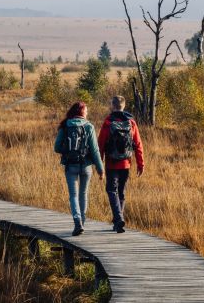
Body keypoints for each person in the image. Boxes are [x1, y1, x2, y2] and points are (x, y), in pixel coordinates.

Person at [54, 101, 104, 236]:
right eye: (86, 111)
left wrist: (68, 150)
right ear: (82, 112)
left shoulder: (65, 126)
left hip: (71, 166)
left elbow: (56, 147)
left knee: (73, 195)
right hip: (86, 166)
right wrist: (100, 169)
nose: (87, 113)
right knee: (83, 194)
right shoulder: (89, 126)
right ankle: (82, 221)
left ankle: (77, 222)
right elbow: (95, 150)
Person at [98, 95, 144, 233]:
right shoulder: (131, 122)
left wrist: (99, 164)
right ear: (124, 106)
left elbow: (100, 145)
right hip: (126, 163)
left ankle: (118, 219)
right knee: (121, 192)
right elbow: (138, 145)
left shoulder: (108, 122)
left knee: (111, 190)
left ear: (112, 106)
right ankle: (119, 220)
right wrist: (141, 164)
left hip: (111, 163)